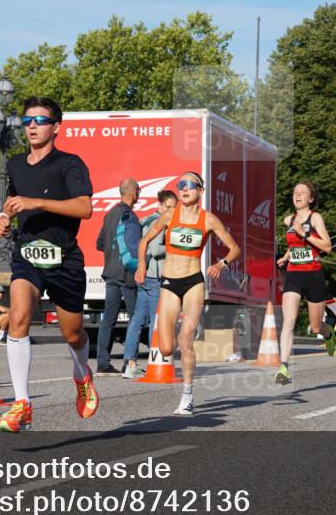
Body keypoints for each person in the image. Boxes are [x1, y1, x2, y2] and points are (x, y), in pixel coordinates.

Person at [0, 97, 96, 432]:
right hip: (28, 254)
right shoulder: (16, 165)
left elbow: (85, 208)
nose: (32, 126)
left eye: (40, 120)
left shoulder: (69, 164)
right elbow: (11, 205)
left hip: (64, 258)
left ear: (56, 127)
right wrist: (3, 219)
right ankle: (21, 403)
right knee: (18, 317)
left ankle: (81, 374)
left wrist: (37, 202)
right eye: (27, 121)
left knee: (72, 333)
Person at [135, 171, 241, 415]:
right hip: (169, 282)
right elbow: (144, 242)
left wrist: (221, 264)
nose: (184, 188)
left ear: (200, 191)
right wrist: (141, 265)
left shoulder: (208, 219)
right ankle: (176, 325)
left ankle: (187, 395)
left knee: (185, 340)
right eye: (181, 184)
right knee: (165, 349)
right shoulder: (169, 215)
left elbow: (234, 248)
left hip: (193, 282)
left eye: (190, 185)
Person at [274, 182, 336, 384]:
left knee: (316, 327)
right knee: (289, 321)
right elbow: (294, 245)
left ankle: (328, 334)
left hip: (314, 276)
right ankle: (284, 368)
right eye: (295, 192)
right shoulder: (288, 220)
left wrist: (305, 233)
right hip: (293, 276)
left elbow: (327, 246)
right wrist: (285, 257)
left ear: (311, 198)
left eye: (302, 193)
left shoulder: (315, 218)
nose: (297, 195)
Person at [122, 189, 177, 379]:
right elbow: (155, 249)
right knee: (156, 319)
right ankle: (157, 360)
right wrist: (175, 247)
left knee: (137, 319)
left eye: (174, 207)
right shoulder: (157, 222)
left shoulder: (146, 220)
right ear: (159, 205)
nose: (171, 211)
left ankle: (130, 363)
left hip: (144, 275)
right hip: (154, 276)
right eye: (168, 207)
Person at [95, 178, 141, 373]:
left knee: (108, 320)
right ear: (134, 192)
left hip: (110, 273)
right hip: (127, 274)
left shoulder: (110, 214)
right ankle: (129, 363)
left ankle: (103, 364)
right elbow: (134, 246)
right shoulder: (129, 215)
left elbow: (99, 244)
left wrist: (111, 252)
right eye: (138, 191)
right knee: (135, 318)